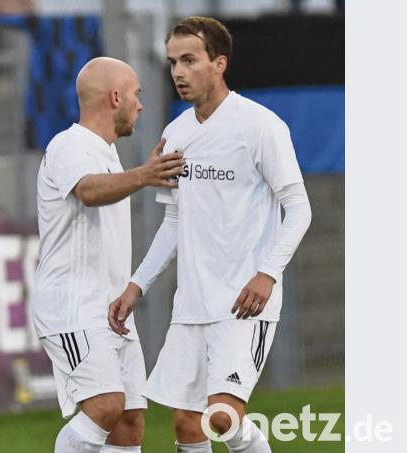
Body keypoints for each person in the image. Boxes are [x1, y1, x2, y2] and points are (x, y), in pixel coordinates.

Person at [108, 16, 312, 453]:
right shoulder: (176, 134)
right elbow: (174, 222)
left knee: (221, 416)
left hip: (244, 302)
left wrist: (267, 274)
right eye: (172, 62)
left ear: (219, 64)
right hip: (192, 305)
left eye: (189, 60)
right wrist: (136, 284)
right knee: (187, 424)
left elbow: (299, 209)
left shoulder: (260, 126)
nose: (178, 72)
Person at [32, 56, 186, 453]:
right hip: (72, 306)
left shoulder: (106, 153)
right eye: (136, 94)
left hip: (110, 310)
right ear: (116, 97)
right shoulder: (69, 144)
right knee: (105, 405)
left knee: (129, 423)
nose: (141, 105)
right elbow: (88, 191)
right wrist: (145, 175)